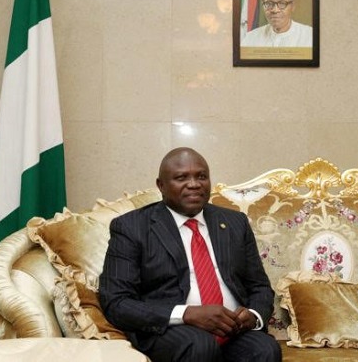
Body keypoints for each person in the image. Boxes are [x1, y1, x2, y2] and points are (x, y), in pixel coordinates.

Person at [99, 147, 281, 362]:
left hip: (232, 328)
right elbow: (116, 302)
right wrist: (186, 314)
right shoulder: (132, 227)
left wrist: (253, 316)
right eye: (181, 178)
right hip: (170, 329)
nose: (194, 184)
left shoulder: (235, 222)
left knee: (265, 349)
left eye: (201, 176)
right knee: (199, 345)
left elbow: (259, 286)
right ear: (161, 185)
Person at [241, 0, 313, 48]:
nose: (275, 10)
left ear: (292, 6)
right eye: (269, 3)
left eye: (282, 3)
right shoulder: (251, 38)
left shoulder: (310, 36)